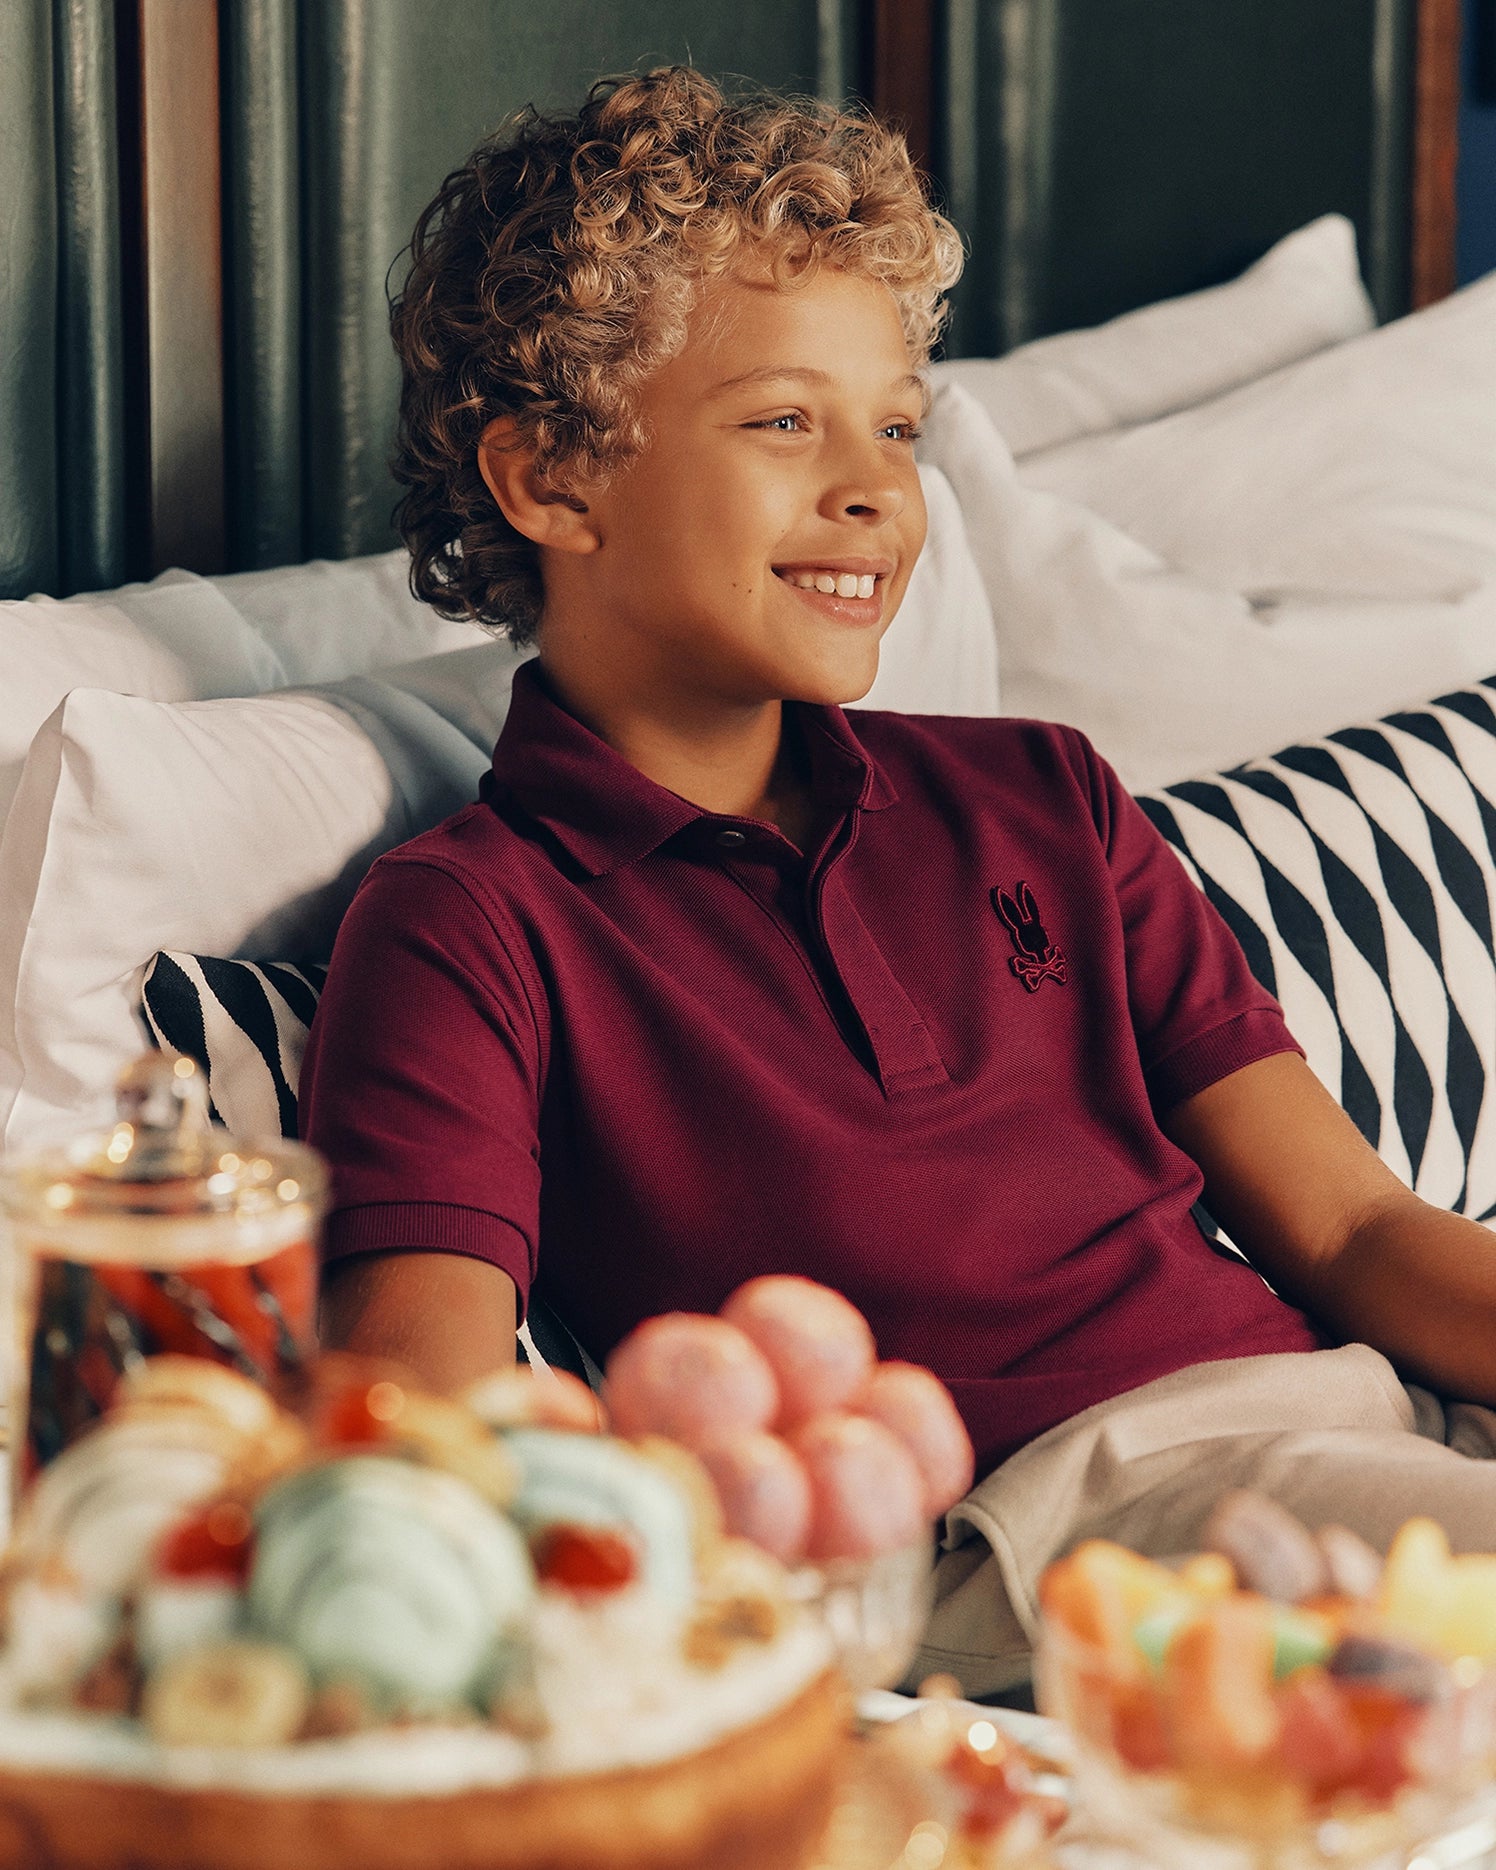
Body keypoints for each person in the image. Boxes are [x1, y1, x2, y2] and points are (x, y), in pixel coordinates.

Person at [300, 66, 1496, 1698]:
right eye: (786, 420)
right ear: (551, 481)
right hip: (1054, 1524)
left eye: (897, 427)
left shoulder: (1040, 796)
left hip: (1352, 1422)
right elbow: (415, 1417)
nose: (875, 486)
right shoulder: (472, 924)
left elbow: (1355, 1222)